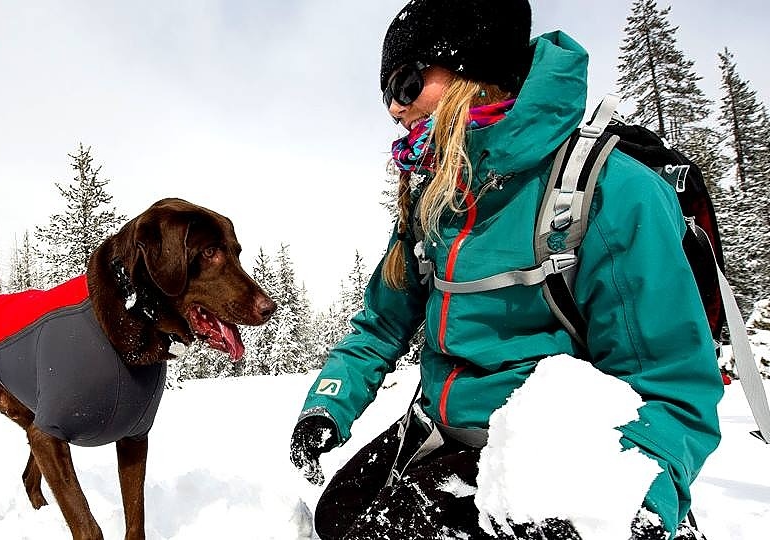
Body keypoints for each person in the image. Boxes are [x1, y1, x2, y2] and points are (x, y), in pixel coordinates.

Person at [288, 1, 723, 539]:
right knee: (337, 519)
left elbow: (672, 388)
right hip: (442, 428)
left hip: (546, 453)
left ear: (472, 68)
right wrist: (327, 405)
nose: (395, 112)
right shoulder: (435, 199)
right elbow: (380, 323)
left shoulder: (610, 191)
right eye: (388, 99)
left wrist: (631, 510)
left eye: (405, 85)